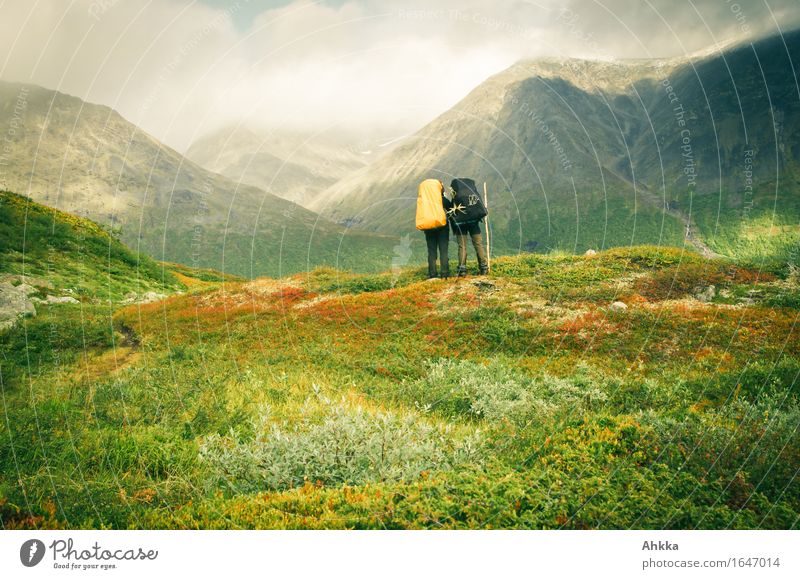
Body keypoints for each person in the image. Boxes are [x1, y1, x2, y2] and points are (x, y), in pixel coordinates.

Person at [449, 178, 488, 277]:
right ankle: (483, 268)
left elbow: (453, 212)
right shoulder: (473, 194)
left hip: (461, 225)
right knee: (478, 244)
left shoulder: (456, 195)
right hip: (474, 223)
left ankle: (462, 270)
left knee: (462, 246)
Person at [421, 180, 452, 279]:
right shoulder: (441, 199)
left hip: (429, 227)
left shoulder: (424, 201)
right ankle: (445, 273)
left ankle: (432, 274)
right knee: (443, 250)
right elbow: (450, 208)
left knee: (431, 251)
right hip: (442, 227)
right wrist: (444, 195)